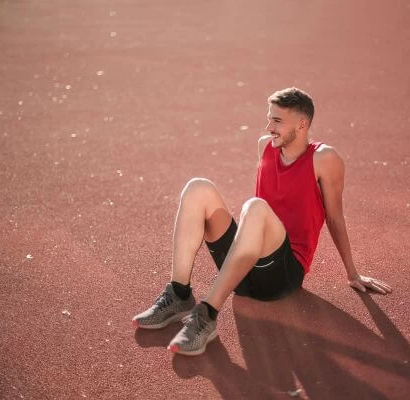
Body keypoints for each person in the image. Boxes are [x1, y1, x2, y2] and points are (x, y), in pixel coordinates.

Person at [132, 87, 392, 356]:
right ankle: (179, 293)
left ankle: (207, 314)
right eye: (269, 119)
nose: (269, 127)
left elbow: (335, 216)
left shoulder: (324, 159)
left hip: (283, 272)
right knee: (198, 188)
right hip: (246, 265)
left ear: (302, 124)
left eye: (277, 121)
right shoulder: (264, 146)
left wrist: (352, 272)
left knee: (255, 207)